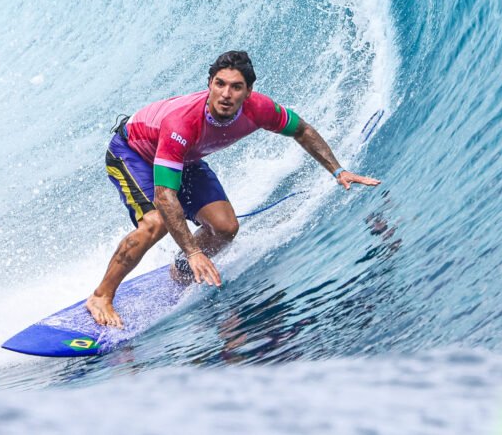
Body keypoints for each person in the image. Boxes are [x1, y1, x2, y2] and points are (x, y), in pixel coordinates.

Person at [86, 50, 381, 328]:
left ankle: (180, 272)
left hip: (183, 158)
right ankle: (101, 295)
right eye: (220, 84)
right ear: (209, 84)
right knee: (155, 222)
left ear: (248, 92)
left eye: (236, 87)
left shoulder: (259, 109)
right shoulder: (183, 122)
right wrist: (192, 250)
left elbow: (301, 130)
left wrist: (338, 171)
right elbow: (165, 196)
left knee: (225, 228)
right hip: (133, 152)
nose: (226, 94)